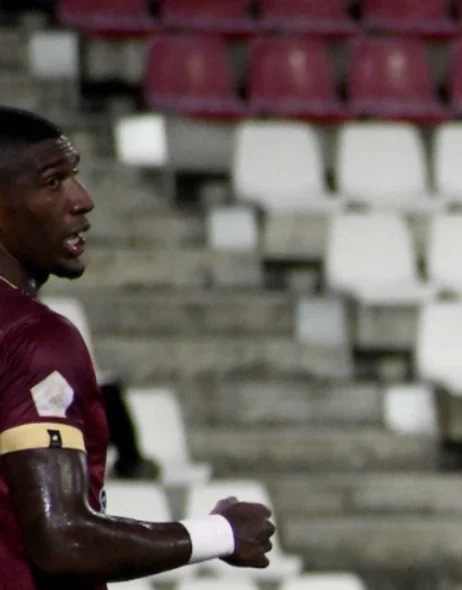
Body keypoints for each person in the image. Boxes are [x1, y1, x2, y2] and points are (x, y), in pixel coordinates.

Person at [0, 107, 277, 589]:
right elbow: (63, 538)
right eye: (52, 182)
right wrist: (222, 534)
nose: (82, 200)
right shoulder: (33, 339)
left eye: (74, 177)